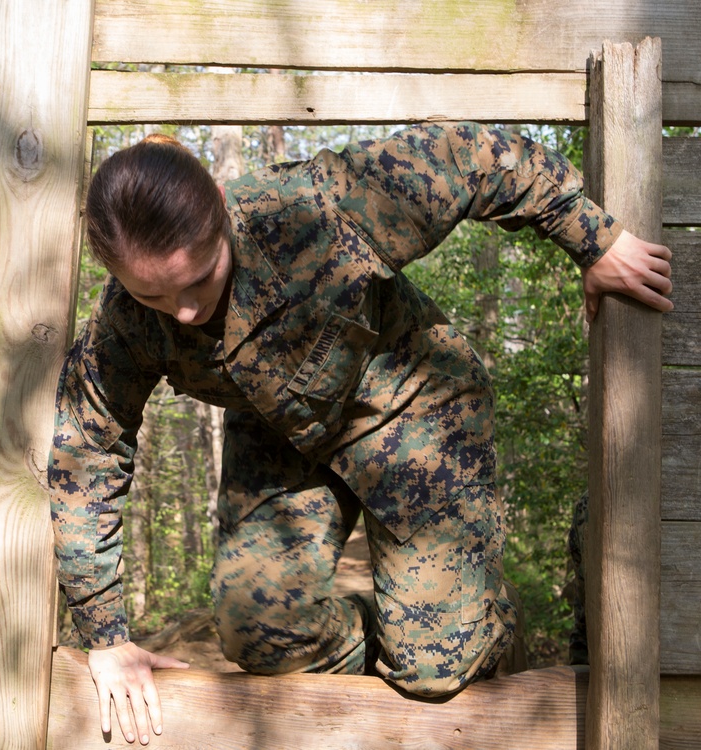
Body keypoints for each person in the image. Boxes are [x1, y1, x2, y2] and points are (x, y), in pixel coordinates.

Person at [48, 122, 673, 745]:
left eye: (198, 279)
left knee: (433, 671)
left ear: (219, 208)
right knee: (261, 635)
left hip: (409, 401)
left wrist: (596, 241)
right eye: (153, 294)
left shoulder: (317, 209)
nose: (183, 312)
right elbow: (85, 454)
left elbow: (475, 155)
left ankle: (469, 620)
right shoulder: (123, 324)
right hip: (281, 436)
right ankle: (418, 634)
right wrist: (107, 638)